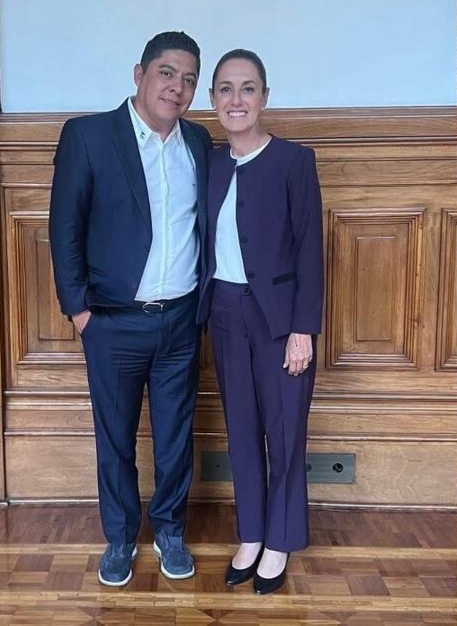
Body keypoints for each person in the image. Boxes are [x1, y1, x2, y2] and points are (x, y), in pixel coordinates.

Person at [49, 31, 212, 586]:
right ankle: (119, 538)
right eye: (168, 73)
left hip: (181, 322)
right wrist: (81, 314)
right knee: (114, 439)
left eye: (190, 78)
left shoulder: (198, 143)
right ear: (139, 73)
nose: (179, 87)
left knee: (175, 439)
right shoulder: (90, 136)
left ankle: (169, 531)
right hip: (112, 322)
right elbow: (64, 229)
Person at [198, 49, 323, 595]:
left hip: (279, 321)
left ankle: (280, 539)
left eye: (247, 88)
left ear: (265, 97)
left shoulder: (295, 161)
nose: (236, 99)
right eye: (225, 89)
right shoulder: (210, 161)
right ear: (212, 101)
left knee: (285, 430)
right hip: (224, 313)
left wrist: (303, 329)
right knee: (242, 429)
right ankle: (250, 533)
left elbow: (311, 253)